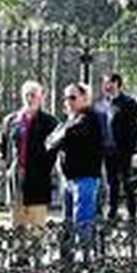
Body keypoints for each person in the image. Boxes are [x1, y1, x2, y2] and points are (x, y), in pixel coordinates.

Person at [46, 82, 104, 258]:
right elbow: (49, 142)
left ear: (85, 98)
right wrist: (58, 137)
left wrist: (59, 137)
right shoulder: (69, 120)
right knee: (68, 220)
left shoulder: (90, 118)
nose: (67, 102)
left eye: (72, 97)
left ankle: (87, 258)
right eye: (65, 98)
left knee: (83, 221)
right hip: (69, 179)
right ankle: (69, 258)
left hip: (85, 179)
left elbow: (66, 136)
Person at [0, 81, 59, 233]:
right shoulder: (11, 121)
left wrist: (45, 168)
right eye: (27, 95)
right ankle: (19, 256)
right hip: (17, 176)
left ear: (41, 97)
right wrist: (6, 166)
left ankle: (36, 256)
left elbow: (54, 149)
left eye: (33, 95)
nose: (29, 99)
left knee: (36, 227)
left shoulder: (49, 122)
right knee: (17, 225)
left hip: (38, 177)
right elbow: (3, 145)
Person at [96, 73, 137, 228]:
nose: (105, 86)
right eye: (104, 83)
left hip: (123, 150)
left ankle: (132, 213)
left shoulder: (129, 103)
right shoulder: (100, 105)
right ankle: (112, 213)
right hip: (107, 151)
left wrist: (130, 149)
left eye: (108, 83)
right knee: (111, 182)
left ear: (117, 84)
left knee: (127, 182)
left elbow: (134, 128)